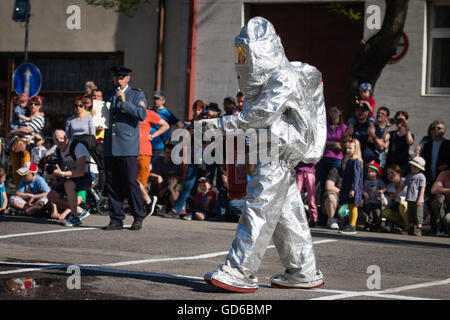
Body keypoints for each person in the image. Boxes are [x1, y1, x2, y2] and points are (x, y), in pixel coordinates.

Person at [201, 17, 327, 292]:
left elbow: (262, 114)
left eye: (246, 53)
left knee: (259, 208)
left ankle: (240, 271)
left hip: (278, 150)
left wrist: (218, 125)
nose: (242, 60)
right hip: (276, 149)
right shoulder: (276, 77)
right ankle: (302, 270)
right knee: (287, 212)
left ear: (261, 51)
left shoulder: (282, 76)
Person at [102, 66, 148, 231]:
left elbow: (142, 115)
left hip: (127, 146)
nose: (118, 81)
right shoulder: (108, 95)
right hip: (110, 145)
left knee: (130, 182)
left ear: (128, 78)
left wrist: (124, 102)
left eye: (121, 78)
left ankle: (138, 215)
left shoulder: (137, 94)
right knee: (112, 183)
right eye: (116, 78)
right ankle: (116, 218)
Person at [46, 129, 93, 227]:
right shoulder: (57, 150)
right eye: (56, 139)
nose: (60, 141)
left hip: (89, 174)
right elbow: (52, 166)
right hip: (72, 176)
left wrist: (62, 173)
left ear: (67, 138)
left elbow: (80, 171)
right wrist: (50, 171)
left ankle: (75, 217)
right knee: (51, 196)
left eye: (62, 138)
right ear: (54, 141)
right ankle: (80, 211)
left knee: (69, 183)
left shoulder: (77, 147)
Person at [7, 95, 46, 188]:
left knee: (27, 172)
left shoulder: (39, 118)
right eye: (31, 103)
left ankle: (28, 194)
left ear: (39, 106)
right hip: (16, 145)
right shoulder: (25, 114)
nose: (33, 105)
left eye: (36, 104)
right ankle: (19, 192)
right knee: (16, 171)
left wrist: (13, 131)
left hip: (28, 148)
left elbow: (28, 130)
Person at [420, 120, 450, 233]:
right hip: (429, 177)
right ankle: (434, 227)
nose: (435, 130)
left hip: (442, 178)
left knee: (440, 201)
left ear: (444, 131)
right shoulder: (427, 144)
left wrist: (447, 166)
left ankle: (442, 226)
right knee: (430, 202)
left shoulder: (448, 144)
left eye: (439, 128)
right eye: (433, 128)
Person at [138, 108, 169, 216]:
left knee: (140, 182)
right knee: (131, 179)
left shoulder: (149, 113)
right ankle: (146, 202)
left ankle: (145, 203)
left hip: (144, 151)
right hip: (129, 151)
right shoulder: (129, 112)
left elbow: (166, 125)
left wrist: (152, 135)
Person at [316, 104, 347, 193]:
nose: (333, 114)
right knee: (322, 180)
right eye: (331, 111)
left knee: (335, 180)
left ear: (340, 113)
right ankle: (322, 203)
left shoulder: (343, 127)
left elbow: (343, 145)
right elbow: (320, 141)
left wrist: (330, 144)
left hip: (337, 158)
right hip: (325, 156)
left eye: (335, 111)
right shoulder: (325, 126)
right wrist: (334, 143)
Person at [394, 156, 427, 236]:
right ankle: (411, 228)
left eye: (415, 167)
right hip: (410, 198)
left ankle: (418, 229)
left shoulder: (421, 177)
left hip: (417, 199)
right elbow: (404, 185)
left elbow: (422, 188)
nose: (412, 168)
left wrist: (420, 199)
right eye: (412, 166)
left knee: (418, 215)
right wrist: (397, 192)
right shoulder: (409, 175)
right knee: (410, 214)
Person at [338, 137, 364, 235]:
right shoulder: (349, 160)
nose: (347, 150)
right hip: (347, 187)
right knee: (347, 206)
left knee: (353, 207)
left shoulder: (356, 161)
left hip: (353, 188)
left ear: (356, 149)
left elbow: (356, 177)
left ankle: (352, 226)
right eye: (347, 148)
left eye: (350, 148)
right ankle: (346, 223)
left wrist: (353, 189)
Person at [150, 90, 184, 159]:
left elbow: (180, 125)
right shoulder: (150, 111)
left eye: (158, 99)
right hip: (148, 145)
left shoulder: (167, 113)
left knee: (157, 168)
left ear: (163, 101)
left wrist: (170, 138)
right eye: (154, 99)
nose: (156, 101)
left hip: (160, 147)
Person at [385, 111, 414, 175]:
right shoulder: (392, 133)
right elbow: (383, 139)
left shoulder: (408, 134)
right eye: (398, 119)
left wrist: (407, 127)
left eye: (402, 119)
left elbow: (409, 142)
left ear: (406, 121)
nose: (399, 121)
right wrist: (387, 127)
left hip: (403, 166)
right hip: (391, 165)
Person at [381, 164, 409, 234]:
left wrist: (397, 198)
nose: (390, 175)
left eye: (392, 173)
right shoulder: (389, 186)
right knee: (384, 212)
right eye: (388, 174)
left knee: (402, 205)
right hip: (399, 211)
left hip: (410, 209)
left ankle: (408, 227)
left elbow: (410, 198)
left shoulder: (406, 182)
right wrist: (381, 196)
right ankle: (401, 224)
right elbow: (387, 204)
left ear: (399, 173)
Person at [361, 161, 385, 232]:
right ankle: (369, 226)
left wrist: (382, 191)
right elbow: (362, 189)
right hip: (368, 201)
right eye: (368, 172)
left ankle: (377, 226)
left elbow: (385, 187)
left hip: (377, 201)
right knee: (369, 214)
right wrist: (364, 193)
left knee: (377, 214)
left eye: (372, 172)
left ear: (376, 173)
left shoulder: (379, 181)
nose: (370, 173)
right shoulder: (366, 181)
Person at [296, 162, 318, 227]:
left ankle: (313, 218)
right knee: (296, 196)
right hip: (299, 170)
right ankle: (296, 216)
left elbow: (316, 158)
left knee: (312, 197)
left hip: (310, 170)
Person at [430, 170, 450, 236]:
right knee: (439, 199)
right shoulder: (444, 174)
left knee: (447, 219)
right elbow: (434, 190)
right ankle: (441, 227)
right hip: (446, 205)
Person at [322, 166, 342, 230]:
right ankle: (331, 220)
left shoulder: (355, 172)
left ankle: (345, 222)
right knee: (331, 196)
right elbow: (329, 186)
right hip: (338, 197)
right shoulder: (335, 170)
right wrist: (342, 192)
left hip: (348, 202)